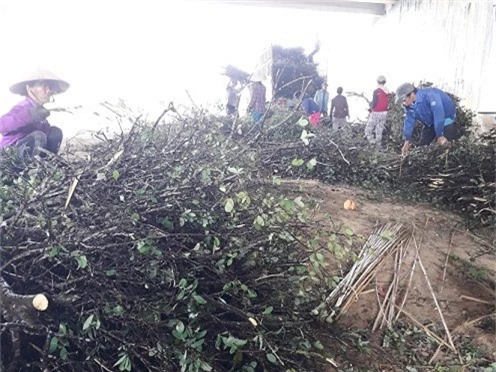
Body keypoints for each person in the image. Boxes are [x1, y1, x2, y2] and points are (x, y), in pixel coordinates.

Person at [0, 69, 69, 158]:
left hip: (32, 156)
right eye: (43, 86)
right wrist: (28, 115)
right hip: (10, 155)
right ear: (29, 88)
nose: (48, 90)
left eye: (49, 87)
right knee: (38, 137)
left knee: (55, 132)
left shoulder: (41, 115)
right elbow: (2, 125)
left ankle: (47, 163)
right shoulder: (23, 107)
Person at [395, 82, 457, 154]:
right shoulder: (410, 106)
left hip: (446, 119)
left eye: (404, 100)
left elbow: (439, 114)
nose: (403, 104)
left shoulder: (430, 95)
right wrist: (407, 141)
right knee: (422, 148)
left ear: (412, 94)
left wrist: (440, 135)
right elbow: (409, 121)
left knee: (444, 148)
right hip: (430, 122)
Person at [365, 75, 389, 150]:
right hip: (384, 113)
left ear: (377, 82)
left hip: (376, 113)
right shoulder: (387, 91)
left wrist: (370, 108)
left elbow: (375, 103)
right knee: (379, 130)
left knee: (368, 129)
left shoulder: (376, 91)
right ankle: (378, 148)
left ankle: (372, 141)